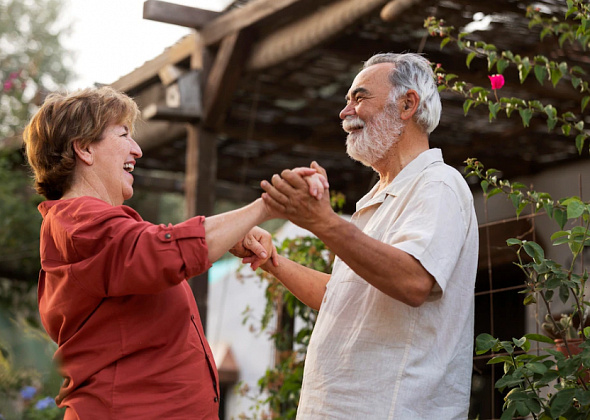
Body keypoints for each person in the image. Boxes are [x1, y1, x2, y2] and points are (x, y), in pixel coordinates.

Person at [22, 86, 327, 419]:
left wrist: (232, 233)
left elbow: (153, 247)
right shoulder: (79, 221)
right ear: (83, 149)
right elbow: (160, 250)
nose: (137, 150)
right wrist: (267, 205)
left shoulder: (100, 231)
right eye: (124, 134)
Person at [258, 53, 479, 419]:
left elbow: (413, 281)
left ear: (408, 104)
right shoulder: (375, 199)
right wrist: (273, 261)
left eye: (359, 98)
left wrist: (324, 222)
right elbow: (340, 296)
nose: (345, 113)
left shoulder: (439, 184)